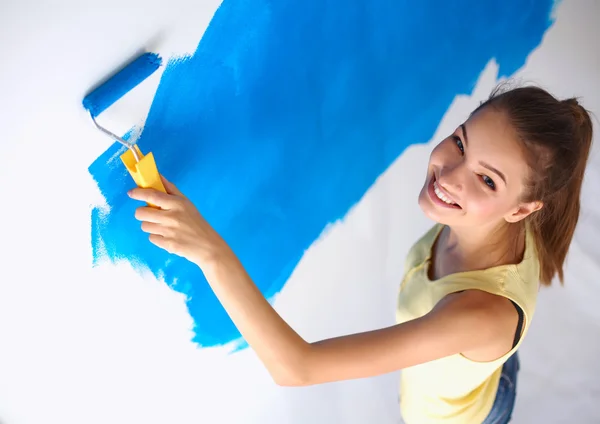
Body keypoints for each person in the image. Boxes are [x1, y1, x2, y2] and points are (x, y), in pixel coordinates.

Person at [127, 83, 593, 423]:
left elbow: (298, 367)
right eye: (460, 142)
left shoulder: (477, 315)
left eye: (487, 179)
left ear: (523, 209)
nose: (450, 174)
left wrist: (209, 251)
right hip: (479, 376)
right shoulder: (502, 221)